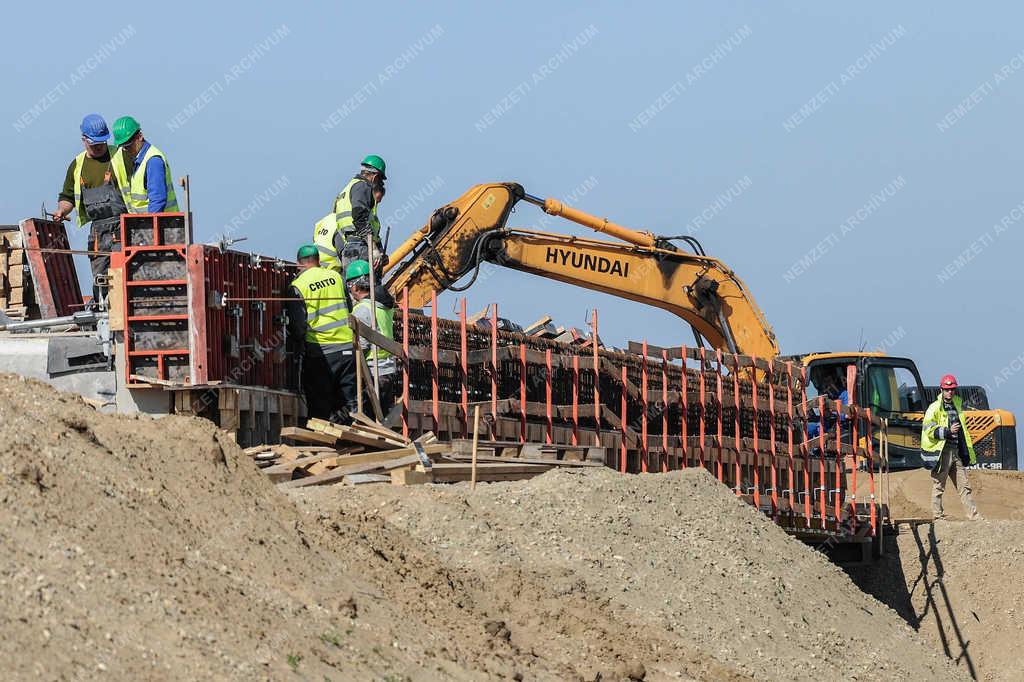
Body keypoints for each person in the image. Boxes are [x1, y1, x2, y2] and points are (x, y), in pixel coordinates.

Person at [53, 114, 127, 305]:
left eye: (102, 142)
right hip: (97, 231)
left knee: (120, 272)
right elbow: (68, 197)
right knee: (100, 276)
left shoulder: (119, 156)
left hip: (122, 226)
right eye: (94, 143)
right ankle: (101, 309)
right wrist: (62, 211)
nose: (99, 147)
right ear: (83, 140)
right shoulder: (77, 165)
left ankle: (120, 312)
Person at [285, 245, 357, 423]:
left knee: (320, 407)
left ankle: (324, 445)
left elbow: (298, 325)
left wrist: (296, 345)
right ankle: (353, 443)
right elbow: (349, 308)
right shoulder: (336, 277)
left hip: (320, 353)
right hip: (347, 348)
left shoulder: (298, 285)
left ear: (299, 264)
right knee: (349, 403)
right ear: (318, 260)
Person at [921, 374, 983, 521]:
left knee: (964, 486)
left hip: (956, 452)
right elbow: (928, 429)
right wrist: (948, 431)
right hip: (942, 452)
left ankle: (973, 515)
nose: (950, 392)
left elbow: (963, 431)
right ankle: (937, 516)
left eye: (952, 389)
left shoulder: (957, 405)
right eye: (947, 389)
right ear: (942, 389)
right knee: (939, 485)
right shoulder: (934, 408)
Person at [313, 155, 387, 274]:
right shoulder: (363, 186)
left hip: (349, 247)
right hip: (360, 246)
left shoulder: (348, 188)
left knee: (354, 286)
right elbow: (360, 217)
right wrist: (373, 248)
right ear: (375, 176)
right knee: (366, 287)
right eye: (380, 180)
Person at [345, 259, 397, 417]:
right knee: (382, 422)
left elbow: (360, 346)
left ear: (354, 286)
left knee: (367, 420)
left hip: (372, 374)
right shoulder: (384, 305)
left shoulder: (362, 309)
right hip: (387, 371)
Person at [109, 116, 179, 214]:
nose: (125, 150)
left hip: (163, 226)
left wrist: (150, 227)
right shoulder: (138, 160)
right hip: (146, 225)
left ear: (140, 136)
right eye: (123, 146)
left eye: (128, 145)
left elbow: (157, 201)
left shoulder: (153, 161)